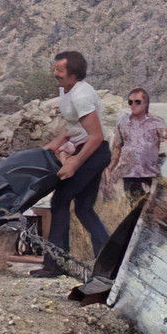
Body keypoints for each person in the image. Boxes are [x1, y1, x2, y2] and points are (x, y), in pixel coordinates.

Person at [32, 50, 109, 279]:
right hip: (86, 149)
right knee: (84, 208)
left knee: (60, 202)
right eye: (55, 69)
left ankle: (55, 265)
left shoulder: (81, 95)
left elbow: (95, 136)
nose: (55, 74)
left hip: (93, 152)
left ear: (73, 74)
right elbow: (72, 126)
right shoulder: (66, 91)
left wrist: (75, 162)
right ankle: (108, 260)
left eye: (60, 70)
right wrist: (52, 146)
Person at [109, 87, 167, 198]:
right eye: (130, 102)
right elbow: (117, 146)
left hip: (149, 172)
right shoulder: (122, 121)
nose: (133, 105)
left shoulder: (157, 122)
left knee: (152, 204)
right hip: (128, 171)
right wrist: (111, 167)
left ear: (146, 103)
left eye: (137, 102)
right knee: (134, 202)